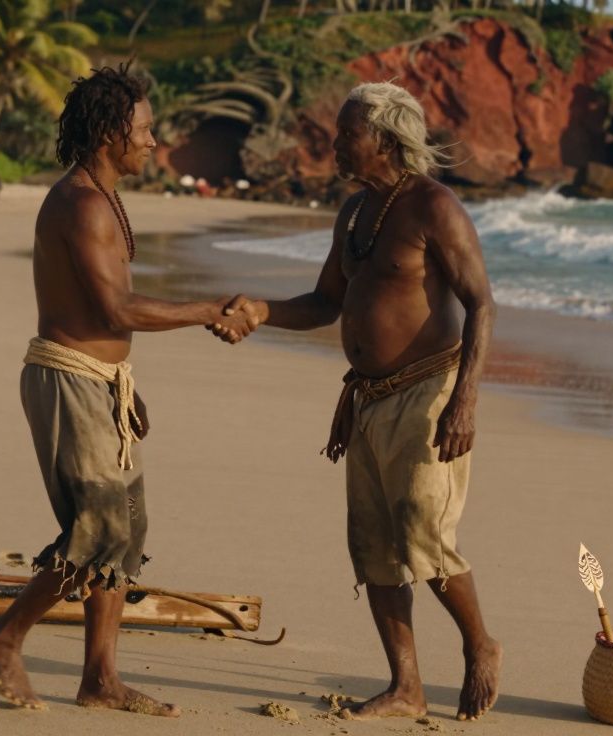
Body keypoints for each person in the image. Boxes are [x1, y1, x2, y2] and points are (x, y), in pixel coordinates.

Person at [0, 62, 257, 717]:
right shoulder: (81, 204)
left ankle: (100, 678)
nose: (154, 141)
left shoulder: (102, 197)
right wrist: (209, 309)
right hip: (68, 379)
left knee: (127, 530)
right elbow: (115, 310)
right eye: (145, 130)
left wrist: (122, 390)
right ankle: (4, 637)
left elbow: (109, 318)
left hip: (99, 383)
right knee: (98, 527)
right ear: (109, 134)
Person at [212, 81, 501, 722]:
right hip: (368, 398)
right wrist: (260, 310)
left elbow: (482, 304)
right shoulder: (354, 212)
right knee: (373, 547)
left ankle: (480, 644)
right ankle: (406, 687)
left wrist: (465, 402)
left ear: (386, 140)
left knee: (424, 531)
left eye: (348, 133)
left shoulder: (434, 205)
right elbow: (326, 302)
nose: (336, 143)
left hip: (430, 391)